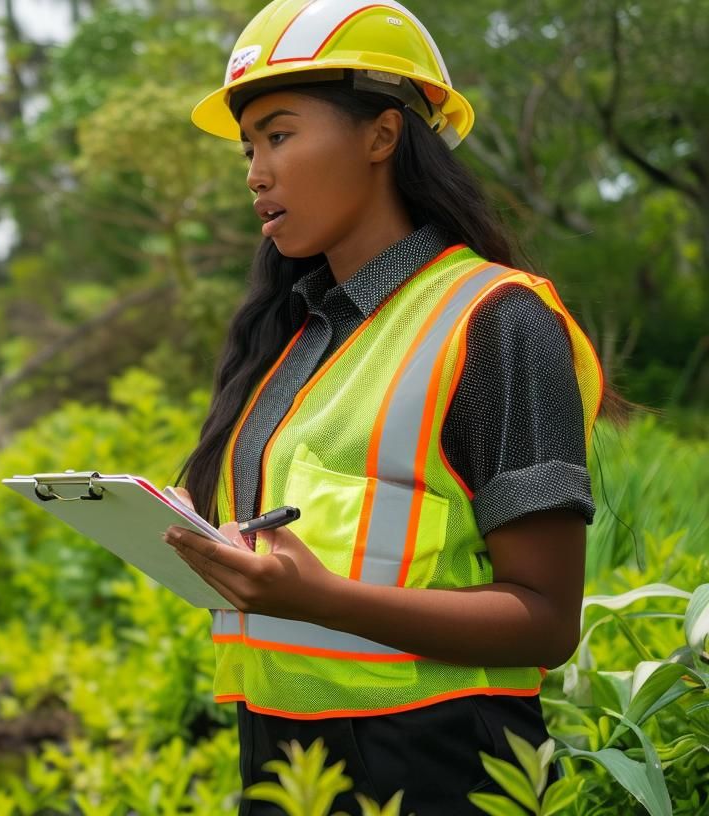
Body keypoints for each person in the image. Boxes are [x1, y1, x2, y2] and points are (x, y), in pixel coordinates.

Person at [159, 1, 611, 813]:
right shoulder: (296, 335)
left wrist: (318, 598)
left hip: (444, 766)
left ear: (382, 135)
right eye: (249, 147)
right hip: (286, 766)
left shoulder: (497, 320)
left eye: (281, 134)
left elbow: (546, 621)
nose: (256, 172)